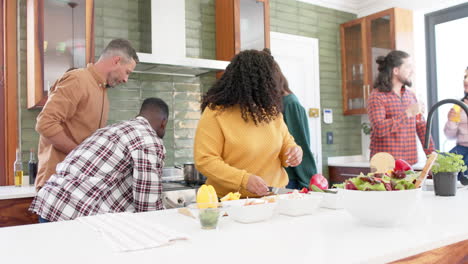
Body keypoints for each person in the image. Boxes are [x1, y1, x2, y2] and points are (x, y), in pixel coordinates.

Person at [29, 98, 168, 222]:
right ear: (163, 123)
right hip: (74, 215)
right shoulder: (149, 139)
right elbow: (149, 208)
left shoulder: (113, 129)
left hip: (49, 203)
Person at [194, 49, 303, 198]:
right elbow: (205, 160)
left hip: (274, 199)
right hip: (230, 203)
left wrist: (294, 152)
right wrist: (244, 180)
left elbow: (286, 144)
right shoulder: (216, 113)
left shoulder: (271, 112)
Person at [35, 39, 139, 191]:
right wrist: (82, 156)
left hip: (79, 186)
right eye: (127, 72)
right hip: (57, 185)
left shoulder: (102, 92)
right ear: (116, 61)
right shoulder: (78, 79)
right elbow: (45, 123)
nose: (125, 79)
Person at [367, 50, 434, 165]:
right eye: (408, 67)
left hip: (409, 163)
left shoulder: (411, 96)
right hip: (384, 165)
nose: (412, 71)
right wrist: (407, 114)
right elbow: (379, 128)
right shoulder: (377, 96)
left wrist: (432, 156)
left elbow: (421, 127)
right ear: (396, 71)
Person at [275, 62, 317, 189]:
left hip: (291, 179)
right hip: (279, 176)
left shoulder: (290, 104)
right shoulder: (277, 103)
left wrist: (306, 182)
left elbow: (300, 143)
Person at [443, 67, 468, 183]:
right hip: (461, 148)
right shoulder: (459, 104)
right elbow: (450, 136)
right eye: (465, 77)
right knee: (444, 165)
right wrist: (451, 121)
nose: (466, 81)